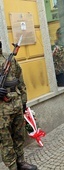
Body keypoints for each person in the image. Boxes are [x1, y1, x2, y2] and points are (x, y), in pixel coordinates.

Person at [0, 41, 37, 169]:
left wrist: (24, 100)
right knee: (6, 141)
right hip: (1, 110)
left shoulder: (8, 58)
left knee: (19, 135)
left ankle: (21, 162)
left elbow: (20, 79)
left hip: (16, 103)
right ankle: (12, 166)